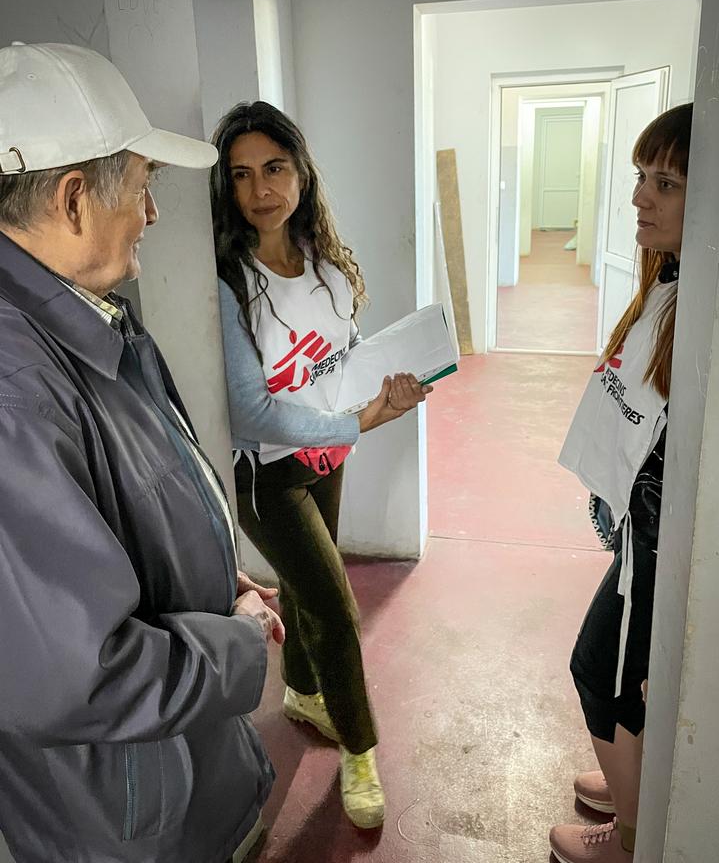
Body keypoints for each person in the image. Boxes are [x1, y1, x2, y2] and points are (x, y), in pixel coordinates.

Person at [0, 42, 284, 863]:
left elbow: (129, 499)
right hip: (126, 817)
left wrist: (204, 571)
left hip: (180, 771)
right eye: (144, 186)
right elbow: (74, 673)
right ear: (74, 197)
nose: (153, 215)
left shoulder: (91, 315)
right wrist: (235, 644)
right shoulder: (15, 389)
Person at [212, 101, 431, 830]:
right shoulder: (231, 284)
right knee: (336, 607)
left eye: (275, 168)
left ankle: (302, 691)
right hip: (267, 476)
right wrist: (359, 419)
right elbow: (250, 414)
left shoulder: (327, 268)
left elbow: (347, 355)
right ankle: (361, 750)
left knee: (313, 581)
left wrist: (388, 386)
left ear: (302, 173)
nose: (260, 190)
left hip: (328, 452)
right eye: (241, 175)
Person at [549, 103, 692, 863]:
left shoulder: (705, 311)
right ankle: (630, 777)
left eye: (666, 182)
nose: (641, 196)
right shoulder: (670, 282)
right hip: (642, 545)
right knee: (624, 680)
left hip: (661, 556)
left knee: (599, 673)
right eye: (643, 176)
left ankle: (632, 839)